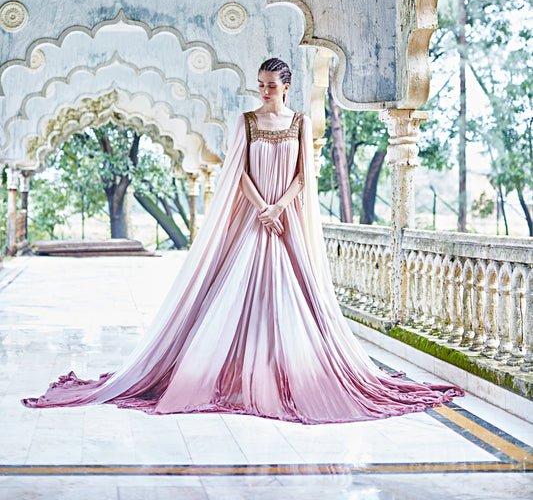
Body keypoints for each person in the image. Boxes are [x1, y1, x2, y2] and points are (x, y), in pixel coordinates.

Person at [22, 58, 463, 423]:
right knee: (236, 296)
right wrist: (262, 209)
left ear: (286, 87)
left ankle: (285, 373)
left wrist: (280, 208)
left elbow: (303, 178)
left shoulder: (301, 123)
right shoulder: (247, 122)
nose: (264, 91)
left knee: (292, 300)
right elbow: (239, 174)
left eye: (271, 85)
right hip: (256, 220)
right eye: (261, 85)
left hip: (284, 219)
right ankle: (238, 373)